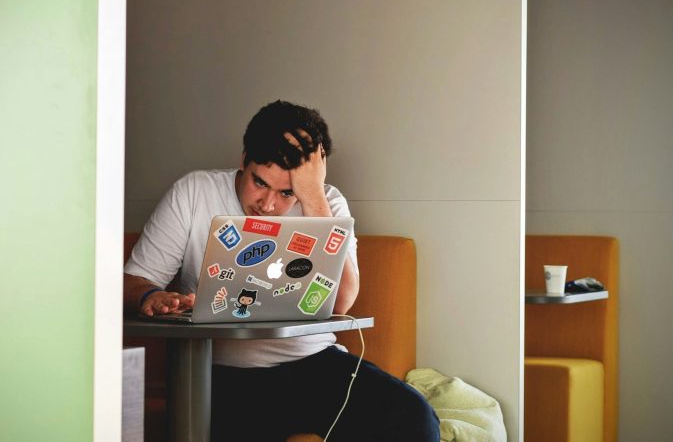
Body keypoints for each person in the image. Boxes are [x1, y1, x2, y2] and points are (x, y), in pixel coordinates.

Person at [123, 100, 439, 441]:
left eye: (286, 192)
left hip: (313, 363)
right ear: (244, 159)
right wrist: (152, 296)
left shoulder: (327, 203)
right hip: (220, 373)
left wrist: (313, 198)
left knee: (415, 419)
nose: (268, 204)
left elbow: (342, 302)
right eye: (260, 183)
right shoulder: (194, 192)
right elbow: (132, 281)